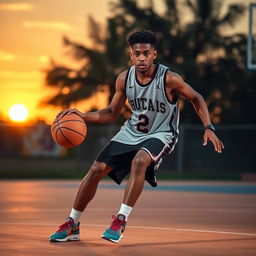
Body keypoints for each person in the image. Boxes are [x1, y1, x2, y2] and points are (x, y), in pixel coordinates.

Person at [49, 30, 224, 243]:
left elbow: (196, 98)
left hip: (162, 133)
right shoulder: (124, 79)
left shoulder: (169, 79)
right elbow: (111, 112)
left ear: (154, 54)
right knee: (96, 169)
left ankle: (120, 220)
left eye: (146, 53)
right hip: (131, 132)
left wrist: (208, 127)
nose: (142, 58)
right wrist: (83, 115)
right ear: (131, 55)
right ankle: (72, 224)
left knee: (140, 159)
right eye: (137, 53)